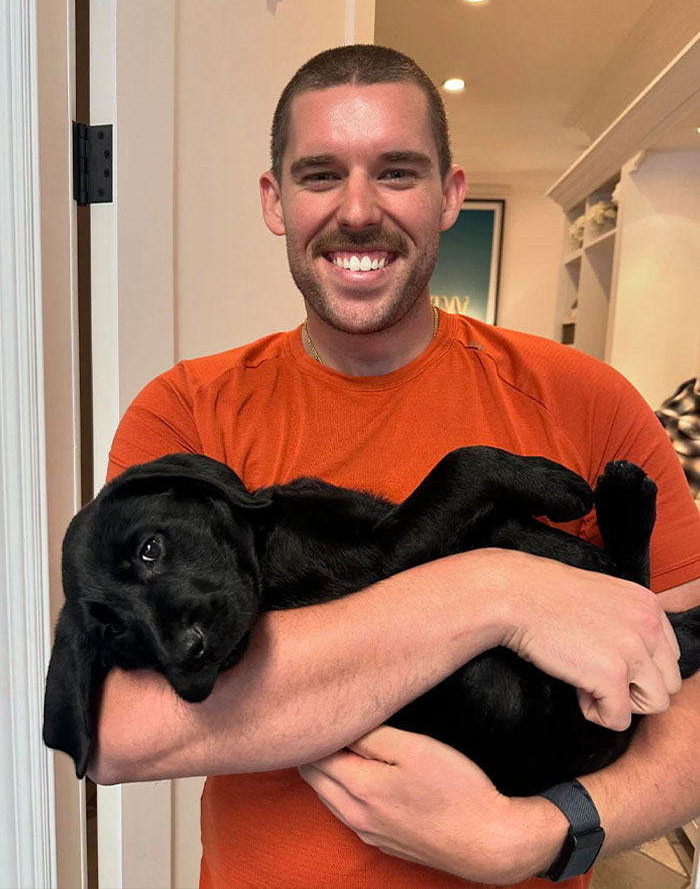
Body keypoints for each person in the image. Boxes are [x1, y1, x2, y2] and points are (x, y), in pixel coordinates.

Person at [90, 45, 700, 888]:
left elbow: (694, 689)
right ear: (275, 201)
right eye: (319, 174)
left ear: (451, 193)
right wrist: (496, 594)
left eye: (398, 172)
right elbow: (122, 725)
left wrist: (542, 833)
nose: (359, 210)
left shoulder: (587, 399)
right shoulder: (187, 418)